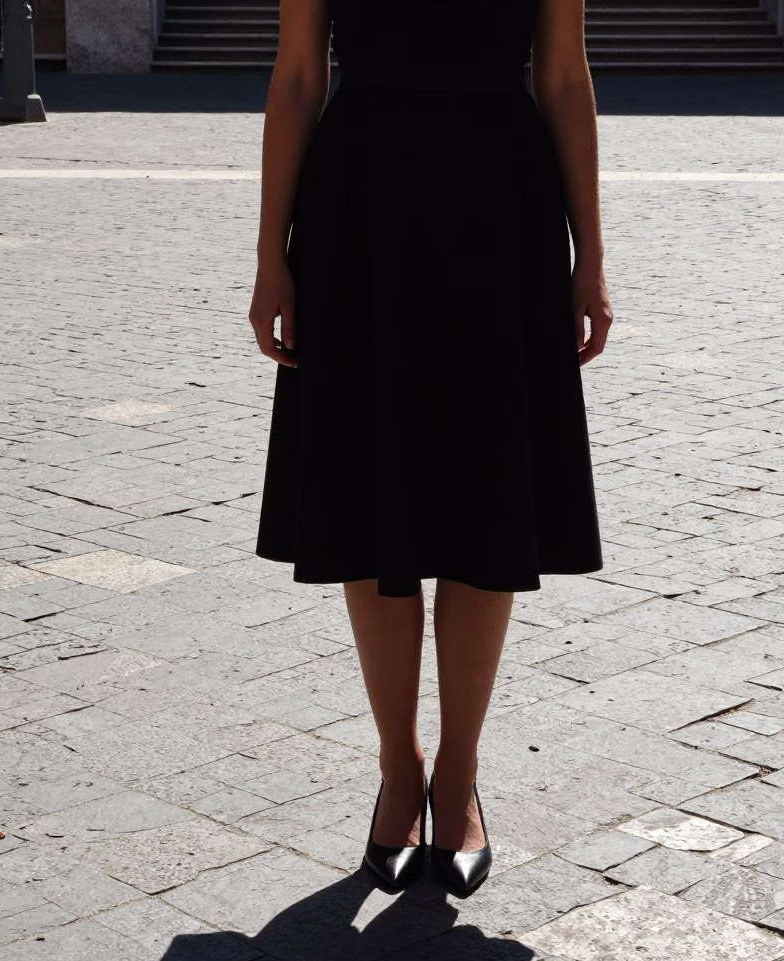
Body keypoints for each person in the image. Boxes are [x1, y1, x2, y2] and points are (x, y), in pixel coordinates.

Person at [250, 0, 611, 898]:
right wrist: (270, 253)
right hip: (358, 214)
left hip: (504, 213)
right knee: (369, 494)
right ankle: (396, 765)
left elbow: (563, 75)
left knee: (491, 489)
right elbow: (298, 74)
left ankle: (459, 772)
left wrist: (590, 256)